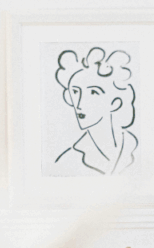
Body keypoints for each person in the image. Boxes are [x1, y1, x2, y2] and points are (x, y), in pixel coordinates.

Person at [54, 47, 139, 175]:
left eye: (93, 92)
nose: (80, 103)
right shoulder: (68, 161)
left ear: (115, 103)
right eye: (75, 92)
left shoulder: (136, 148)